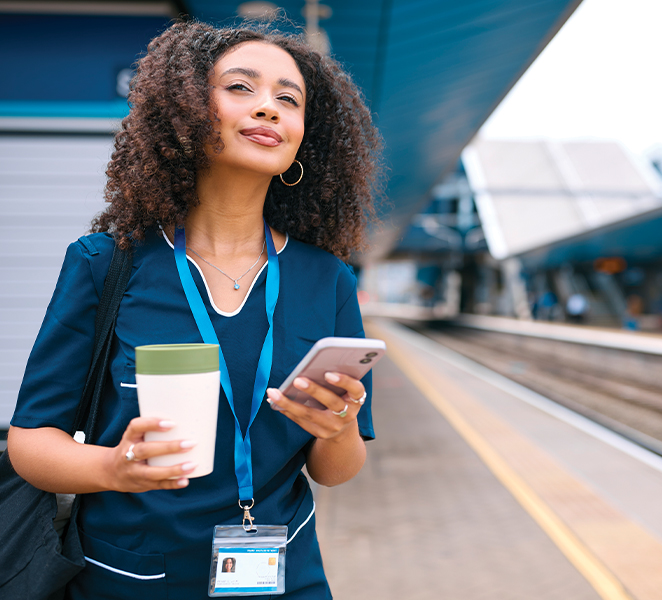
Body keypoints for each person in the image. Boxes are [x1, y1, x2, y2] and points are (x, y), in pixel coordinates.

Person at [7, 20, 382, 599]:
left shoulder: (326, 278)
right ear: (183, 112)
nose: (268, 108)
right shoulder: (105, 264)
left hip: (283, 579)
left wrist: (337, 431)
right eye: (241, 88)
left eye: (289, 99)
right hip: (131, 579)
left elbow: (335, 470)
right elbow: (32, 442)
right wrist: (112, 468)